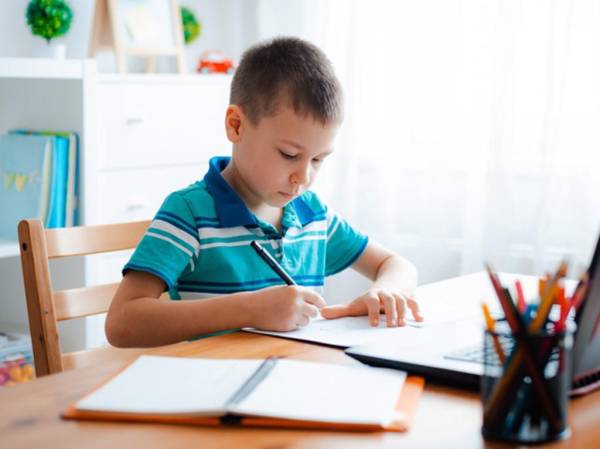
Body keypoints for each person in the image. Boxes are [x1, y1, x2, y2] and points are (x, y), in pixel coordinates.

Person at [105, 37, 422, 348]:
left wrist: (386, 291)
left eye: (318, 160)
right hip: (215, 390)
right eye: (289, 155)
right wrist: (249, 309)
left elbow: (397, 266)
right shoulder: (191, 212)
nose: (303, 177)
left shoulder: (312, 214)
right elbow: (122, 322)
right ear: (236, 125)